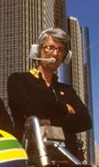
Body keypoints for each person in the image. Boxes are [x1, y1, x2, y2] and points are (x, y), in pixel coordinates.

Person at [7, 28, 92, 158]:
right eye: (50, 47)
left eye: (60, 50)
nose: (55, 53)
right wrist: (65, 109)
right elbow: (32, 108)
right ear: (37, 50)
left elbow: (85, 120)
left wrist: (50, 122)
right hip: (33, 157)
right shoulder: (19, 80)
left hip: (70, 158)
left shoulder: (67, 90)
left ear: (65, 56)